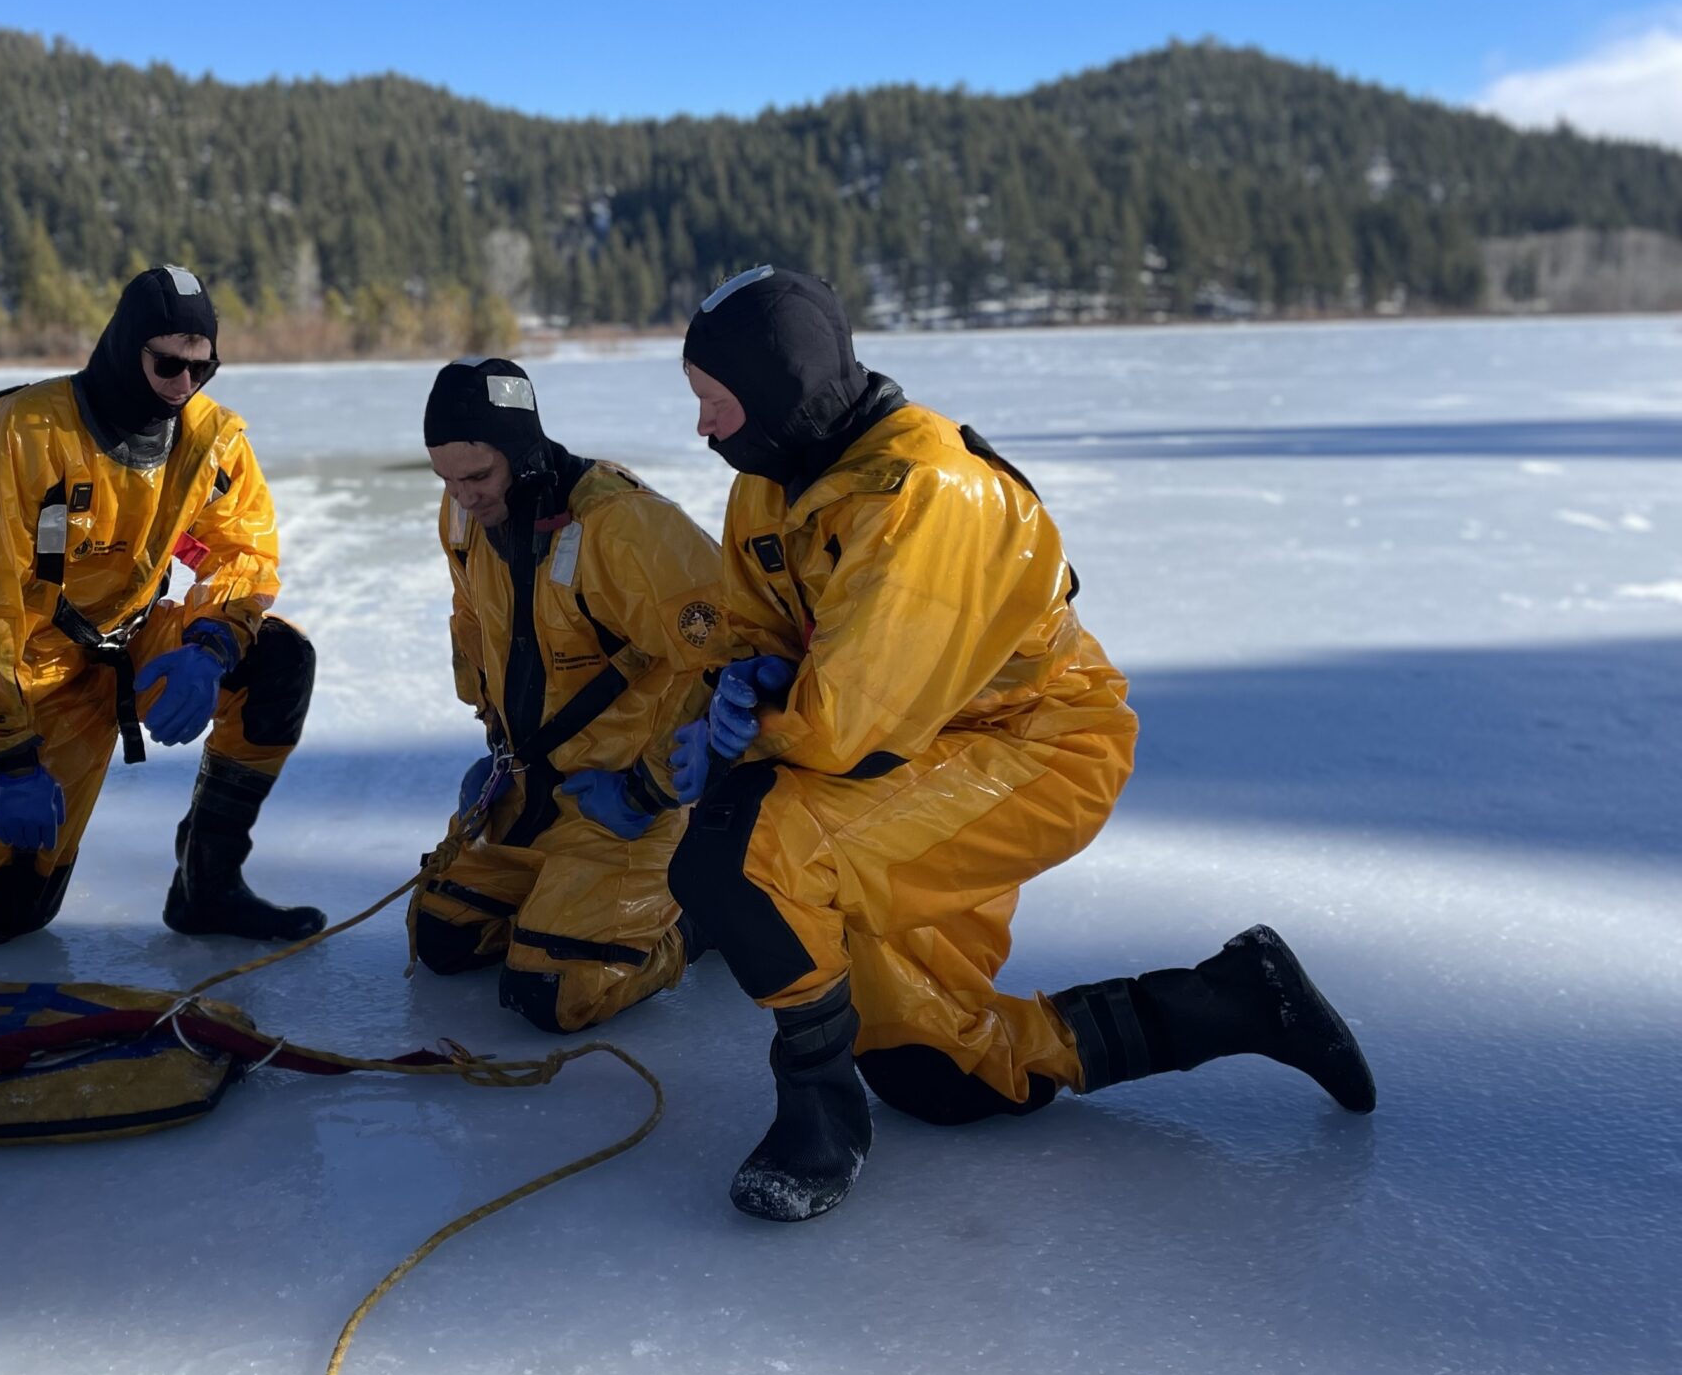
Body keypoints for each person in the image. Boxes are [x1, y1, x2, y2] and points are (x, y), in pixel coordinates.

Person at [665, 266, 1376, 1223]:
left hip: (1035, 749)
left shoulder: (927, 493)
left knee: (741, 852)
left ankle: (820, 1114)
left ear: (779, 389)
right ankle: (1237, 1001)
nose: (703, 426)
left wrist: (748, 733)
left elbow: (843, 729)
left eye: (715, 400)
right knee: (938, 1071)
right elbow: (759, 629)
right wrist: (739, 681)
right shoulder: (772, 483)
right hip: (918, 751)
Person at [0, 264, 323, 943]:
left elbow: (242, 552)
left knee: (278, 658)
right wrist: (10, 757)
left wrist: (211, 645)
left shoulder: (209, 442)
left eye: (203, 368)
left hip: (131, 645)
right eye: (168, 365)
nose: (184, 386)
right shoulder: (21, 436)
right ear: (125, 348)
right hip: (20, 672)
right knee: (6, 905)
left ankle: (207, 886)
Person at [409, 357, 729, 1031]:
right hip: (531, 791)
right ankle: (557, 895)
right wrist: (495, 733)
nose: (463, 497)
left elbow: (726, 653)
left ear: (523, 453)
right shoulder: (464, 517)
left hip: (625, 803)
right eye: (446, 480)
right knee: (441, 937)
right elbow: (473, 620)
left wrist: (651, 787)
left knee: (554, 990)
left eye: (478, 477)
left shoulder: (623, 525)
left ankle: (704, 911)